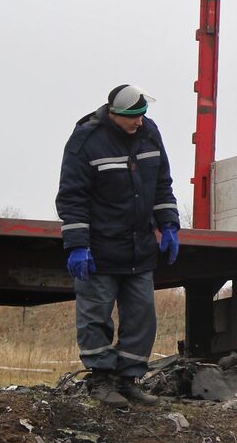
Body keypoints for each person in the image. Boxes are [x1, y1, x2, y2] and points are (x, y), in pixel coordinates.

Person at [57, 84, 179, 408]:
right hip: (100, 250)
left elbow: (162, 184)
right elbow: (72, 197)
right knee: (95, 316)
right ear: (115, 114)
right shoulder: (86, 141)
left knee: (142, 317)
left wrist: (169, 224)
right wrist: (77, 245)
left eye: (142, 115)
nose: (139, 122)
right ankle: (101, 380)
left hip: (140, 248)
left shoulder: (149, 133)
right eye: (133, 117)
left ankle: (128, 380)